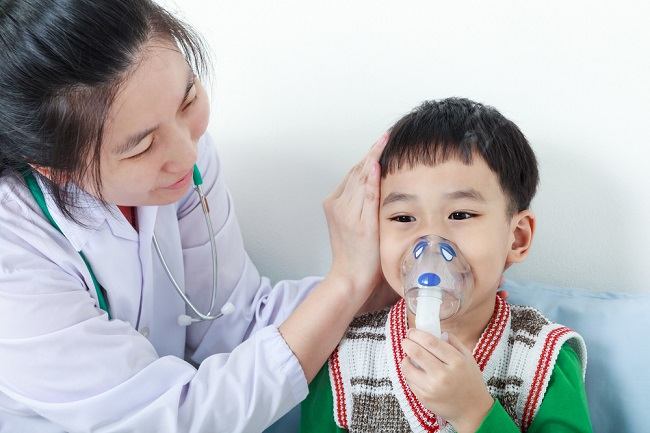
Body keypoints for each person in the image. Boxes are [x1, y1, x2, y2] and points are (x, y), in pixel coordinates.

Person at [0, 1, 392, 432]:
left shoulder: (184, 162)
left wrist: (384, 278)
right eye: (141, 147)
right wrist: (344, 284)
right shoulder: (13, 258)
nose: (187, 152)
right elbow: (175, 418)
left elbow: (234, 320)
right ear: (54, 168)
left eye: (187, 101)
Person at [301, 98, 593, 432]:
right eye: (403, 217)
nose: (430, 243)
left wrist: (475, 413)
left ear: (517, 238)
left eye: (460, 214)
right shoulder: (344, 358)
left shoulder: (543, 358)